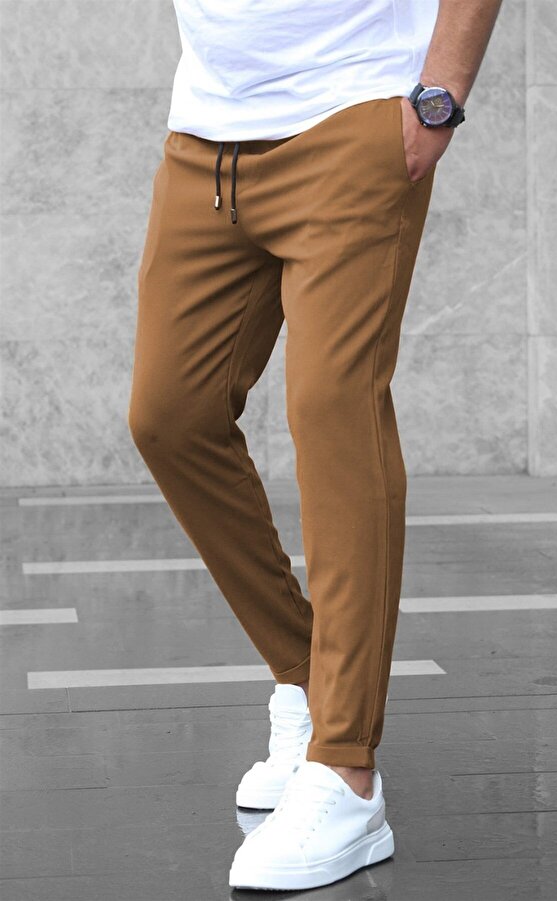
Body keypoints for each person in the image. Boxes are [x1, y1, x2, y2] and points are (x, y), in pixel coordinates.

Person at [127, 0, 503, 890]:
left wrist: (437, 99)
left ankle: (344, 769)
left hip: (352, 118)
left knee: (334, 412)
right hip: (207, 135)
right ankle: (306, 679)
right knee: (170, 416)